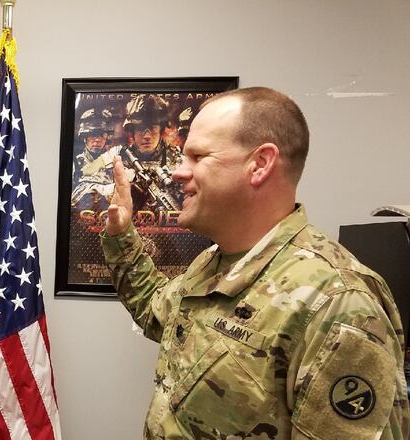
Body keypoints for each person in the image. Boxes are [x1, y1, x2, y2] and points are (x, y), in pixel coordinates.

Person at [101, 87, 409, 438]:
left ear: (260, 164)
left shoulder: (337, 303)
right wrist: (121, 233)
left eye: (198, 156)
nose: (178, 172)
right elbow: (155, 312)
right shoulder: (214, 263)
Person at [71, 107, 115, 210]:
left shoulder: (116, 163)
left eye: (101, 135)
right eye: (92, 135)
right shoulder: (75, 164)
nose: (97, 140)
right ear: (85, 137)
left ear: (106, 138)